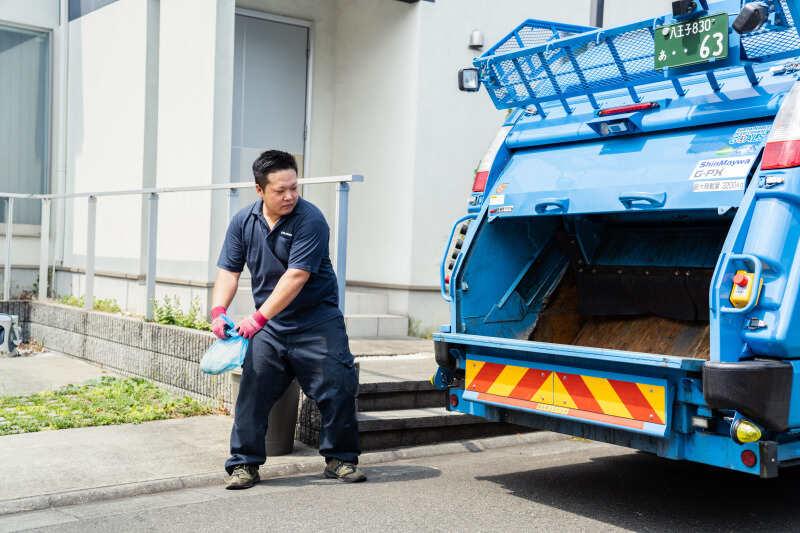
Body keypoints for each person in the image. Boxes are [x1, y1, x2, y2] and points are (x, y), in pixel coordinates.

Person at [210, 149, 365, 489]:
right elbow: (228, 271)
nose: (290, 195)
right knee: (253, 394)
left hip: (316, 323)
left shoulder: (310, 220)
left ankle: (340, 459)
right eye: (280, 190)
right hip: (271, 327)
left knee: (338, 389)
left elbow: (296, 277)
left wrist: (256, 318)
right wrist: (219, 310)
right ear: (259, 190)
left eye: (294, 187)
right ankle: (244, 465)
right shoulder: (242, 222)